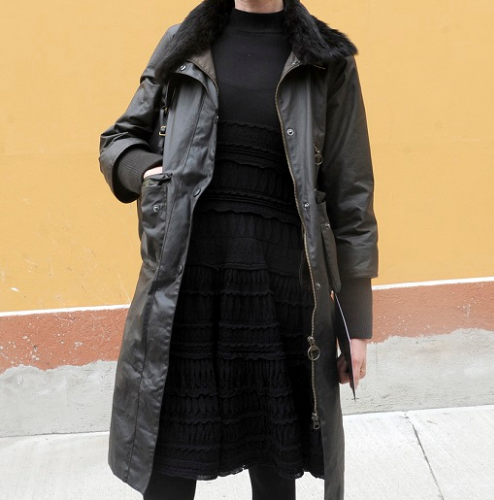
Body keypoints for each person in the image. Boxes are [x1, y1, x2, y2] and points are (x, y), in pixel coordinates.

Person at [99, 0, 378, 499]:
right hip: (186, 290)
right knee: (168, 467)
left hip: (282, 293)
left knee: (274, 469)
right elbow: (119, 139)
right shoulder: (184, 43)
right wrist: (144, 171)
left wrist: (356, 325)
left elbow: (351, 195)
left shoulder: (326, 60)